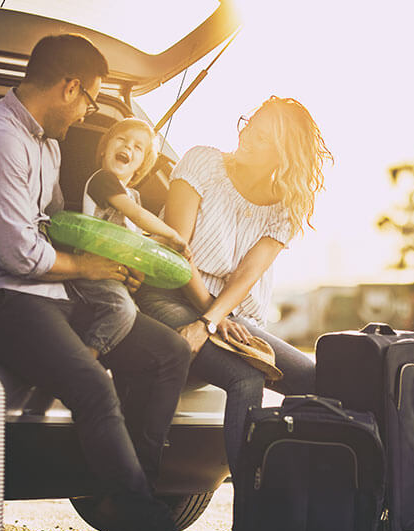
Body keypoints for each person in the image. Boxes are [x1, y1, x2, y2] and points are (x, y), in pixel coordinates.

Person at [0, 33, 237, 531]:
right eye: (88, 99)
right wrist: (96, 269)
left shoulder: (46, 144)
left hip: (49, 291)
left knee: (168, 353)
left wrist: (127, 252)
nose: (86, 114)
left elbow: (56, 225)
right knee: (92, 384)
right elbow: (20, 254)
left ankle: (134, 501)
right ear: (68, 86)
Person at [137, 96, 333, 476]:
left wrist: (213, 318)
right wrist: (211, 318)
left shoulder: (288, 206)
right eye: (249, 126)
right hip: (167, 292)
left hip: (226, 312)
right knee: (246, 375)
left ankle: (308, 485)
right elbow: (179, 250)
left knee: (315, 380)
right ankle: (251, 505)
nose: (246, 137)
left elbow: (248, 274)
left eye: (261, 138)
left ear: (283, 155)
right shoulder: (202, 162)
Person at [72, 117, 190, 359]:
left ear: (142, 164)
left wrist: (167, 246)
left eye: (138, 147)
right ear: (104, 148)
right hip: (94, 269)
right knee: (122, 310)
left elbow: (137, 241)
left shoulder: (133, 195)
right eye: (122, 140)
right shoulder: (103, 180)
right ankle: (86, 360)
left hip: (115, 274)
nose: (128, 147)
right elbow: (136, 216)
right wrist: (172, 235)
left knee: (134, 316)